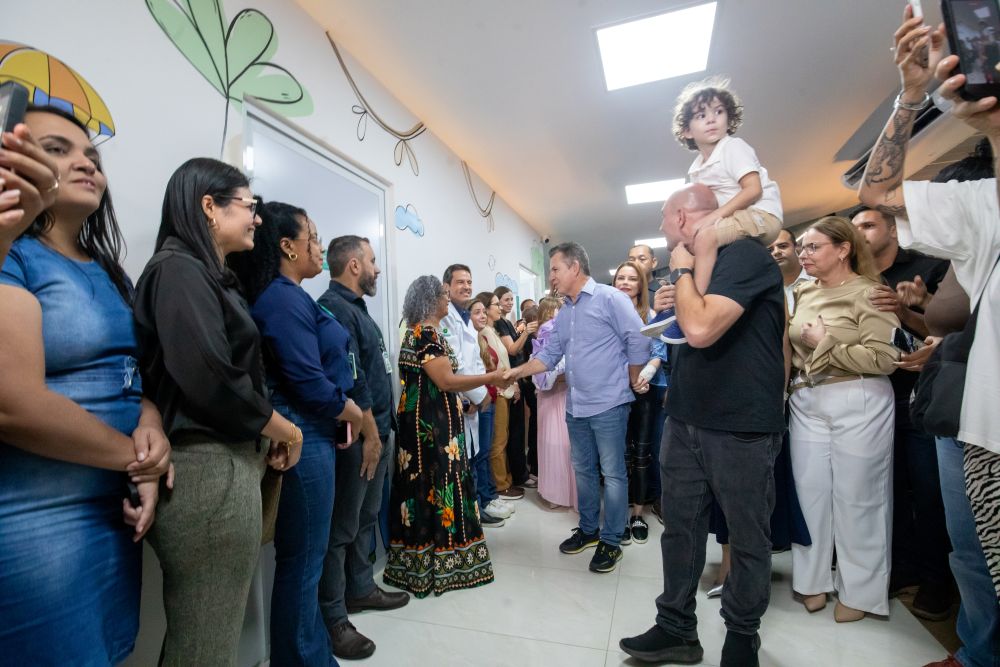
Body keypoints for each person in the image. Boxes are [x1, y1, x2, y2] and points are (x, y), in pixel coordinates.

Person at [0, 107, 171, 665]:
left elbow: (129, 377)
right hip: (40, 519)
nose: (84, 163)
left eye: (92, 157)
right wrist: (136, 461)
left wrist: (151, 426)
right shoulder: (12, 258)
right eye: (58, 149)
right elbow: (14, 405)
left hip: (111, 514)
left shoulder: (109, 271)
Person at [859, 9, 999, 663]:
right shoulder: (980, 203)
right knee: (974, 556)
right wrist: (913, 95)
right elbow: (876, 191)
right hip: (979, 429)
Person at [133, 158, 302, 665]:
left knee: (208, 634)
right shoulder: (179, 269)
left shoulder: (207, 274)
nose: (257, 219)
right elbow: (211, 380)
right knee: (205, 643)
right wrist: (286, 430)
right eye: (248, 206)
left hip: (224, 465)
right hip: (208, 470)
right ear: (209, 206)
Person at [619, 183, 785, 667]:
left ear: (689, 217)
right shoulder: (700, 266)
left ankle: (741, 635)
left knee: (746, 534)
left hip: (741, 423)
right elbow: (684, 329)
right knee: (681, 529)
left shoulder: (747, 257)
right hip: (686, 414)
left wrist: (685, 269)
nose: (662, 229)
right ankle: (676, 627)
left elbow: (703, 328)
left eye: (666, 218)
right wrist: (676, 295)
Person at [230, 202, 365, 665]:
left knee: (306, 557)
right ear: (287, 245)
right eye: (313, 235)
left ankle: (307, 654)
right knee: (304, 561)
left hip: (317, 430)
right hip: (303, 432)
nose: (320, 245)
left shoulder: (295, 295)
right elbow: (308, 382)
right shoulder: (280, 299)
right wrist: (351, 411)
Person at [903, 146, 998, 667]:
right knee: (970, 553)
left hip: (988, 420)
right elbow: (943, 319)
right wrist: (919, 309)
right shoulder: (964, 262)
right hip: (957, 414)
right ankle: (977, 653)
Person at [506, 242, 649, 574]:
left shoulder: (611, 298)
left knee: (612, 474)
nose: (552, 276)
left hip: (610, 403)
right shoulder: (566, 311)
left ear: (574, 268)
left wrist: (632, 375)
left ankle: (612, 541)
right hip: (577, 406)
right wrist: (516, 371)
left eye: (555, 269)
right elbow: (548, 356)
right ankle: (588, 529)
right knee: (583, 471)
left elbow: (638, 338)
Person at [787, 216, 899, 623]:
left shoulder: (871, 293)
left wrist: (827, 343)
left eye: (813, 247)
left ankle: (863, 594)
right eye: (802, 247)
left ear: (843, 249)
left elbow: (887, 359)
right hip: (807, 397)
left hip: (859, 394)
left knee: (859, 497)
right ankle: (813, 582)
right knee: (810, 494)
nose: (804, 254)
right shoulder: (802, 292)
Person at [849, 204, 954, 618]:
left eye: (869, 224)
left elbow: (948, 334)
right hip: (873, 398)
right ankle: (901, 567)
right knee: (884, 490)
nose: (861, 232)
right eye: (855, 227)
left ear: (893, 229)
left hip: (923, 399)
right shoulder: (854, 279)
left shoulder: (928, 267)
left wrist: (909, 309)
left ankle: (936, 580)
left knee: (930, 493)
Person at [315, 235, 410, 659]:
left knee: (367, 516)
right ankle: (334, 617)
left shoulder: (357, 309)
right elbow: (350, 382)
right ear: (354, 266)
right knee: (342, 528)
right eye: (372, 261)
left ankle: (361, 587)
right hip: (359, 437)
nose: (377, 268)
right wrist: (372, 433)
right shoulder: (335, 309)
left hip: (380, 432)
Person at [386, 275, 508, 597]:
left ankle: (429, 560)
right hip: (430, 427)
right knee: (436, 482)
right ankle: (442, 560)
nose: (447, 298)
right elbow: (447, 381)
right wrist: (492, 376)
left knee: (429, 482)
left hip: (429, 420)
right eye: (442, 293)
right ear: (430, 301)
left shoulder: (425, 331)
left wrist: (464, 399)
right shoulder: (425, 332)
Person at [644, 76, 784, 344]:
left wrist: (712, 218)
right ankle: (679, 305)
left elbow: (753, 190)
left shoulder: (733, 147)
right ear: (686, 130)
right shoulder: (696, 168)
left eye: (719, 112)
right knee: (699, 244)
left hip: (762, 215)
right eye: (701, 115)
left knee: (705, 237)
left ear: (729, 118)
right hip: (740, 216)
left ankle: (696, 306)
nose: (712, 119)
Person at [612, 260, 668, 544]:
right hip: (613, 393)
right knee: (618, 456)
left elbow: (659, 351)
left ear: (640, 285)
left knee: (642, 455)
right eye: (620, 278)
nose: (624, 282)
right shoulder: (606, 314)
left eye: (631, 278)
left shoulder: (651, 314)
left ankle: (637, 515)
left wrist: (644, 375)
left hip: (646, 390)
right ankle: (619, 515)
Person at [531, 296, 577, 510]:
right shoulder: (548, 331)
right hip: (553, 393)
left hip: (559, 392)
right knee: (556, 442)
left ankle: (559, 492)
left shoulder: (547, 332)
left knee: (559, 442)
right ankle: (559, 492)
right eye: (558, 309)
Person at [478, 291, 524, 502]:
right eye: (495, 304)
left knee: (502, 439)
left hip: (504, 390)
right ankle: (500, 485)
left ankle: (504, 480)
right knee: (497, 442)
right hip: (497, 391)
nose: (499, 308)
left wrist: (513, 382)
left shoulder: (492, 331)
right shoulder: (485, 333)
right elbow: (493, 365)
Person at [468, 294, 510, 525]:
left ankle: (489, 496)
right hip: (479, 401)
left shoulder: (482, 337)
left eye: (484, 311)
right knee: (481, 453)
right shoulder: (471, 339)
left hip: (489, 398)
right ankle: (483, 500)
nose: (483, 315)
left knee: (485, 451)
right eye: (477, 312)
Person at [495, 285, 535, 488]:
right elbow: (511, 350)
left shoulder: (507, 323)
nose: (509, 303)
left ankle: (520, 473)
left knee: (518, 429)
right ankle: (518, 476)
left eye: (511, 299)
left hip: (516, 378)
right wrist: (526, 333)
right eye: (505, 300)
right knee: (513, 432)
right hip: (509, 381)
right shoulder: (499, 325)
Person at [768, 228, 812, 315]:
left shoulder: (817, 278)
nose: (776, 252)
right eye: (770, 250)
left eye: (783, 246)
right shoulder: (768, 290)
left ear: (796, 247)